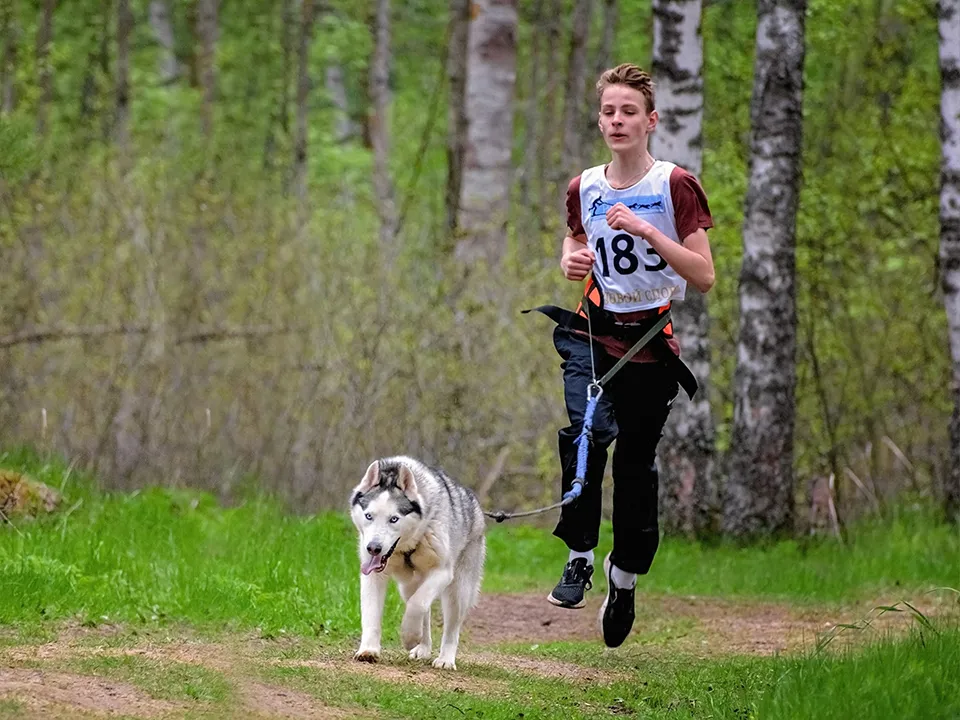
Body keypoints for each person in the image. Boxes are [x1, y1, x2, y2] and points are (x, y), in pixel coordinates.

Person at [541, 63, 716, 648]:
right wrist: (570, 259)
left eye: (629, 112)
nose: (618, 121)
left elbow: (704, 275)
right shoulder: (584, 186)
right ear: (600, 121)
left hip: (651, 346)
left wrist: (649, 232)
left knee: (636, 467)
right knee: (584, 434)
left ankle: (625, 577)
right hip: (593, 334)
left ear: (651, 121)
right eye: (609, 112)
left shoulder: (675, 185)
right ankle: (581, 556)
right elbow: (576, 240)